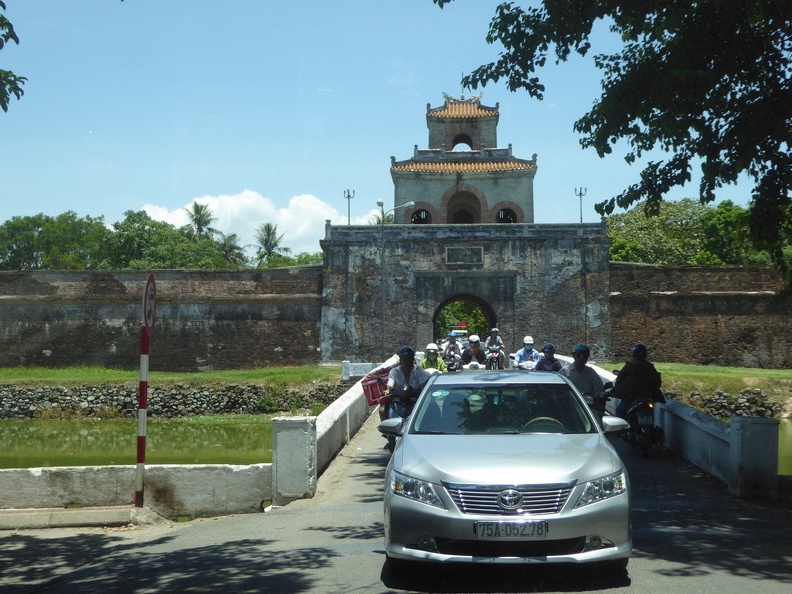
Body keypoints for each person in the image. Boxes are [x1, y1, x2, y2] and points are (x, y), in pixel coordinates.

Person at [379, 346, 433, 422]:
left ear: (412, 359)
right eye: (403, 358)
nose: (406, 360)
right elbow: (390, 385)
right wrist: (387, 391)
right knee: (382, 410)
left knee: (432, 408)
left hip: (416, 400)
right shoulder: (394, 371)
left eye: (408, 358)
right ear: (400, 359)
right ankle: (386, 431)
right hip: (398, 400)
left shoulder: (418, 370)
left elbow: (424, 382)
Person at [613, 343, 665, 418]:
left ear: (634, 354)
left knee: (620, 411)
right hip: (647, 397)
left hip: (631, 397)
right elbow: (658, 383)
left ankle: (619, 429)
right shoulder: (650, 367)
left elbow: (619, 380)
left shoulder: (630, 365)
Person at [560, 343, 606, 422]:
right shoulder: (564, 371)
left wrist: (602, 395)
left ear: (587, 357)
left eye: (585, 356)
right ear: (574, 356)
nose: (582, 358)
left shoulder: (591, 373)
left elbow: (598, 389)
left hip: (588, 406)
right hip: (569, 405)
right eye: (579, 355)